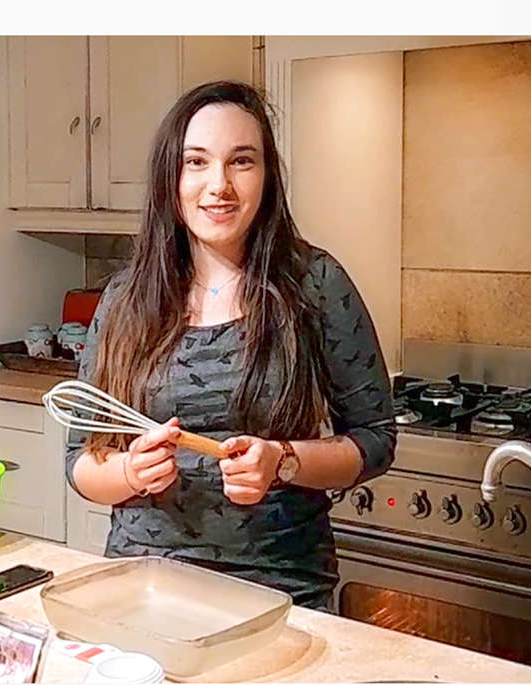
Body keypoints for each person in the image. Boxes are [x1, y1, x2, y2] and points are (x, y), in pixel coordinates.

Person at [65, 81, 395, 610]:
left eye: (241, 161)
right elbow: (81, 460)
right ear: (170, 177)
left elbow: (375, 440)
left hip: (280, 592)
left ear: (267, 175)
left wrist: (283, 460)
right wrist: (129, 472)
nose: (219, 185)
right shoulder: (126, 297)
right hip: (145, 589)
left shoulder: (315, 283)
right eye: (196, 162)